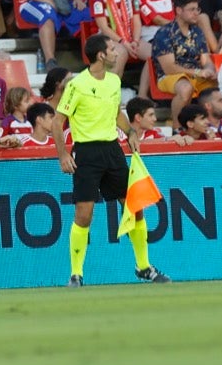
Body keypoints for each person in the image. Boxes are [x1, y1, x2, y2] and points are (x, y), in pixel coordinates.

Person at [54, 35, 171, 287]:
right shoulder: (77, 84)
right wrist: (63, 154)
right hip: (86, 152)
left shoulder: (114, 81)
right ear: (100, 55)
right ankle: (76, 273)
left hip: (112, 150)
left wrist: (130, 132)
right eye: (111, 49)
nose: (116, 53)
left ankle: (143, 267)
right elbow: (57, 121)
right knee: (84, 214)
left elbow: (116, 113)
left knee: (133, 206)